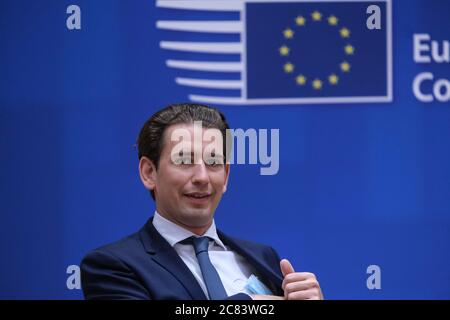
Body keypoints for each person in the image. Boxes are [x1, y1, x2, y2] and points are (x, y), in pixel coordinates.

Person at [81, 103, 323, 300]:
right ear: (149, 172)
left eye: (214, 162)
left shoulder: (264, 257)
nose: (202, 177)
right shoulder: (112, 266)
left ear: (226, 176)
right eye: (184, 161)